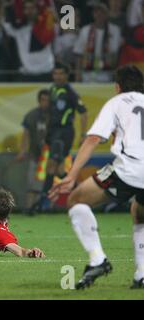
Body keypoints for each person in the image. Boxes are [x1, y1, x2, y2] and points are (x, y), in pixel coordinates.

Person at [49, 65, 144, 290]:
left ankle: (98, 260)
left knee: (76, 200)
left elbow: (92, 140)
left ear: (117, 86)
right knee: (139, 214)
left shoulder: (116, 103)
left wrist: (72, 175)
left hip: (129, 168)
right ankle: (141, 275)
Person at [31, 63, 88, 213]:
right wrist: (47, 133)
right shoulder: (53, 90)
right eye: (55, 73)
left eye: (60, 73)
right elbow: (51, 113)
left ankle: (41, 203)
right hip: (53, 133)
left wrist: (83, 134)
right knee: (59, 169)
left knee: (51, 166)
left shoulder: (70, 93)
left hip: (64, 133)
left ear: (66, 75)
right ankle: (83, 194)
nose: (57, 76)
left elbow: (83, 112)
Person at [16, 89, 51, 212]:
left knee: (49, 183)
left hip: (51, 157)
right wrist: (23, 151)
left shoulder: (56, 116)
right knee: (32, 182)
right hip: (35, 155)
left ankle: (46, 207)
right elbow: (26, 135)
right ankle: (30, 207)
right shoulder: (32, 115)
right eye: (43, 100)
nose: (45, 103)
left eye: (48, 100)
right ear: (39, 100)